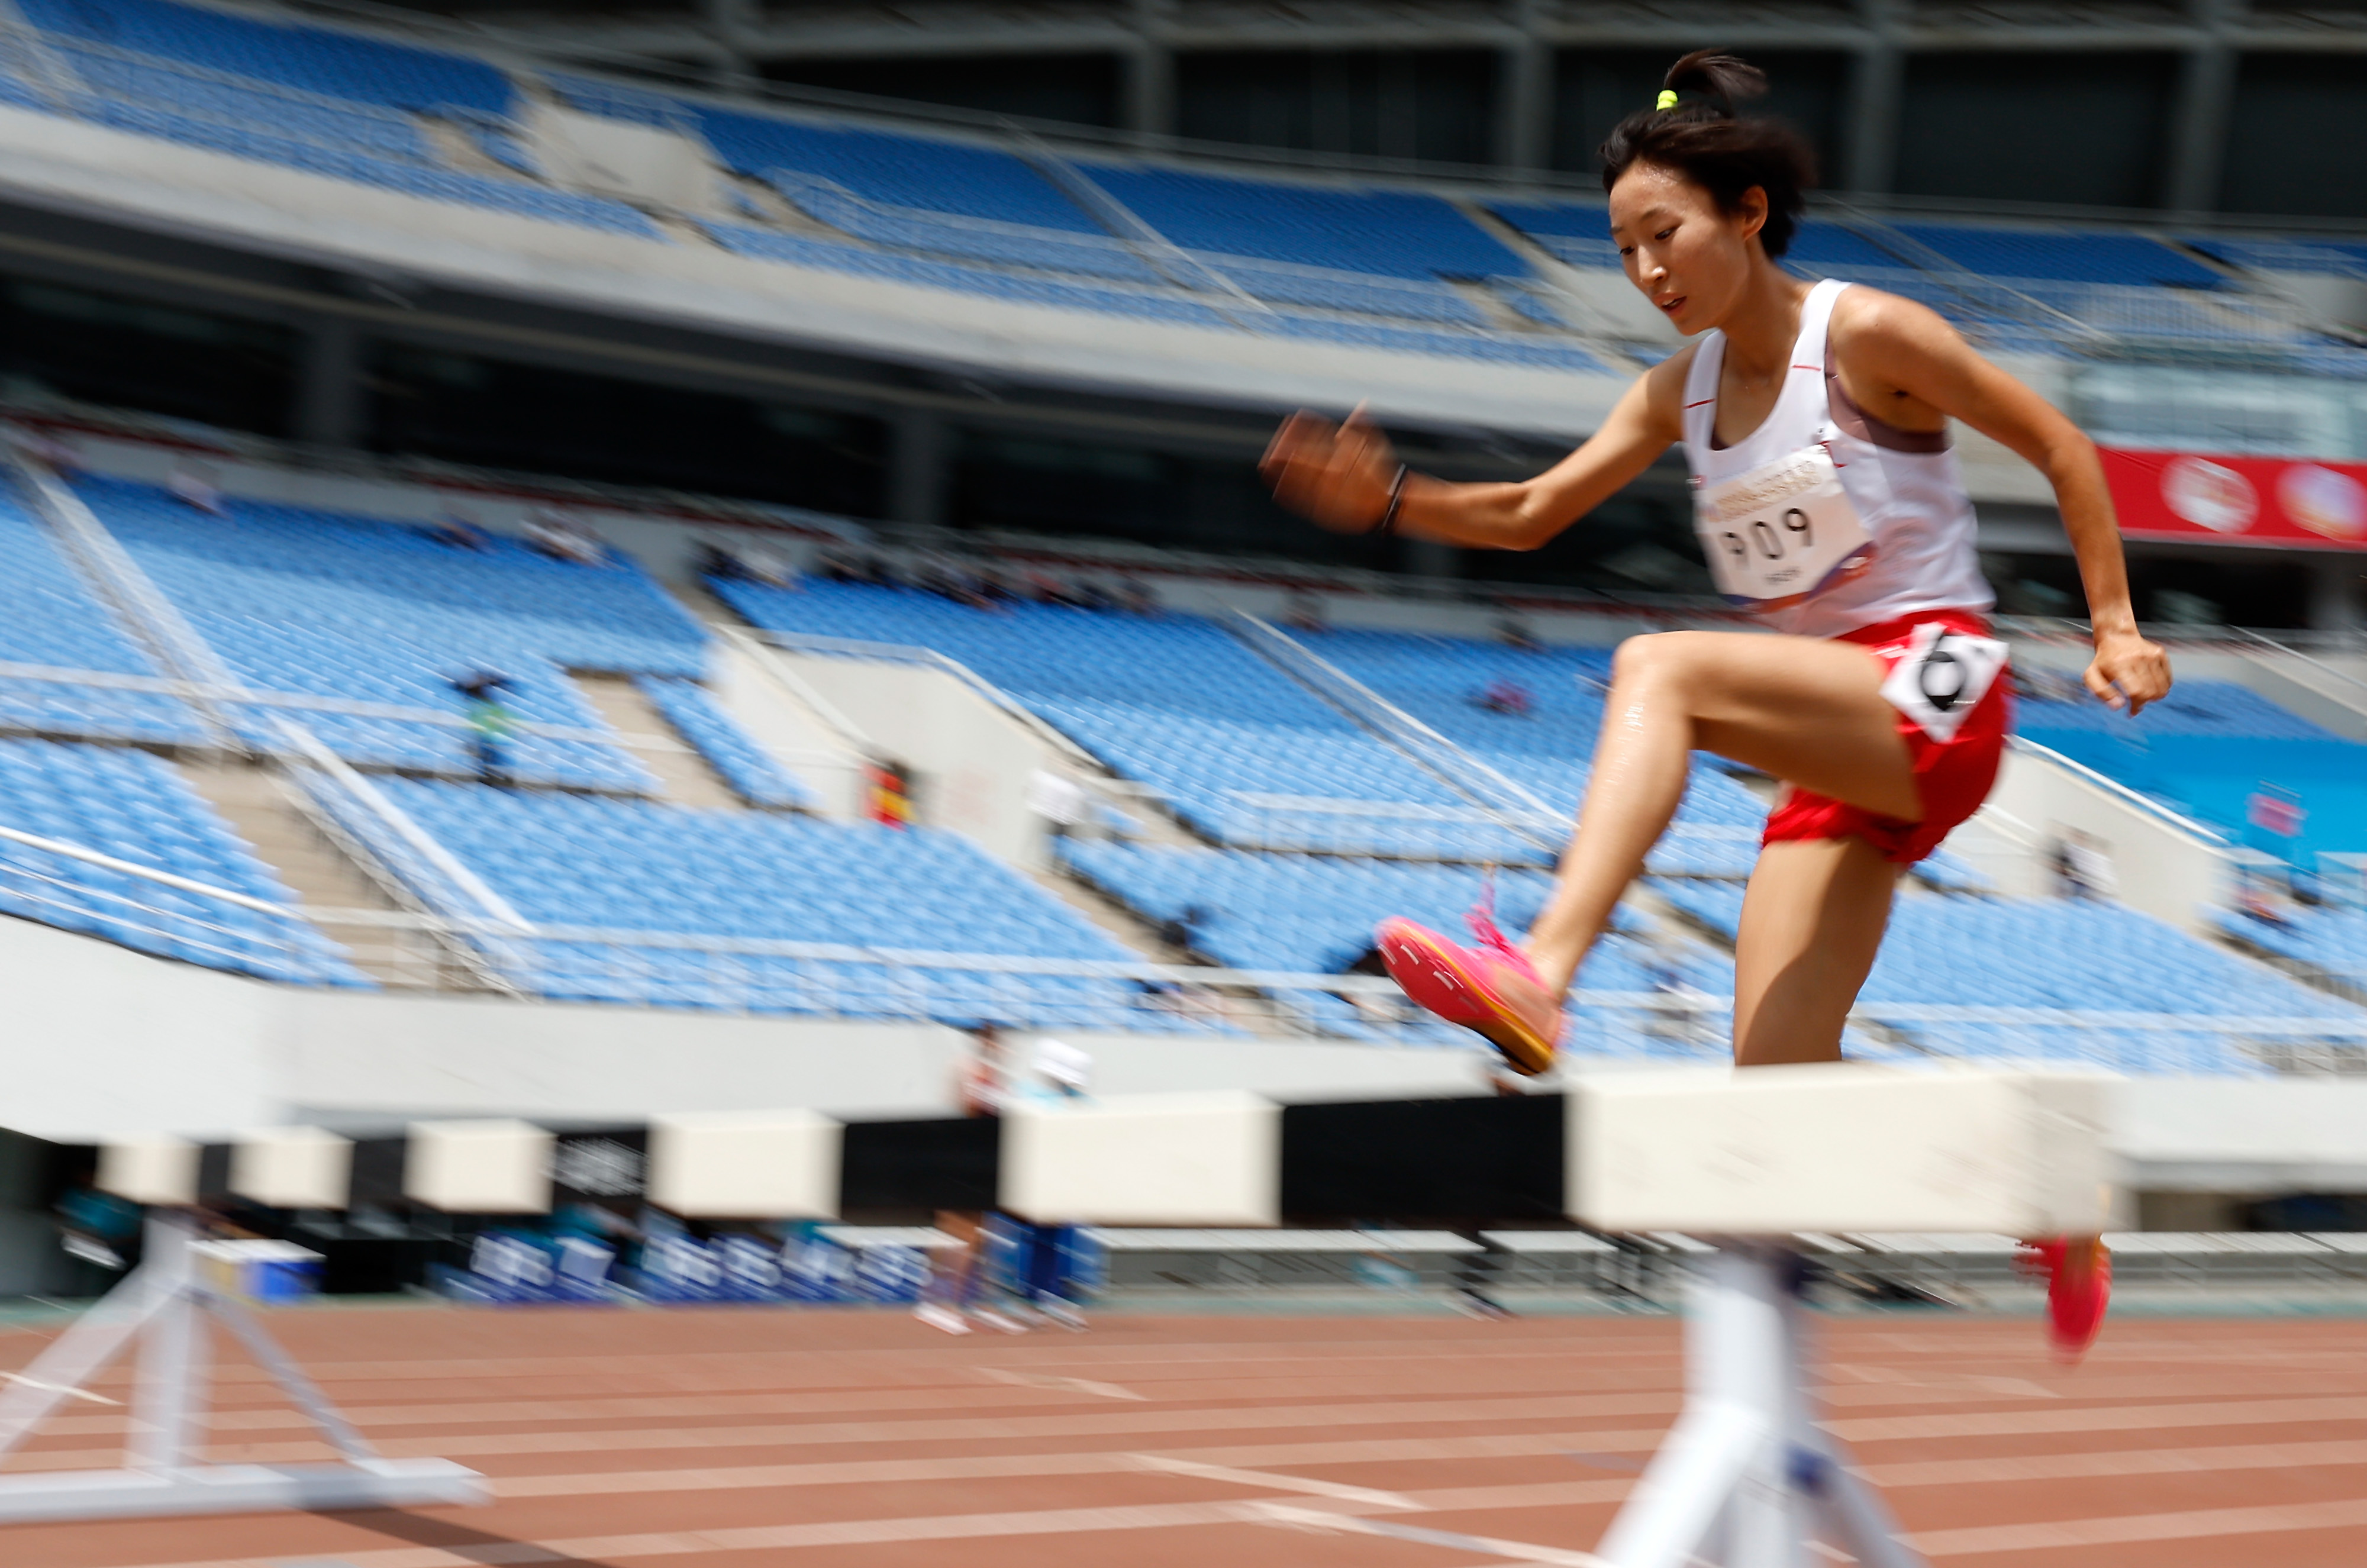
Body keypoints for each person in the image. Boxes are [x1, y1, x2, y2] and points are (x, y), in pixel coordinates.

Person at [1257, 50, 2169, 1359]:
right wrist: (1389, 503)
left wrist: (2117, 624)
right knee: (1777, 1079)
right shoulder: (1672, 392)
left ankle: (1542, 972)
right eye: (1624, 247)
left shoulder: (1864, 334)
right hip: (1830, 743)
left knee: (1658, 667)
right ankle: (2046, 1189)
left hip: (1932, 686)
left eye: (1663, 235)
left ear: (1746, 215)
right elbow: (1525, 513)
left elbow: (2061, 446)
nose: (1646, 271)